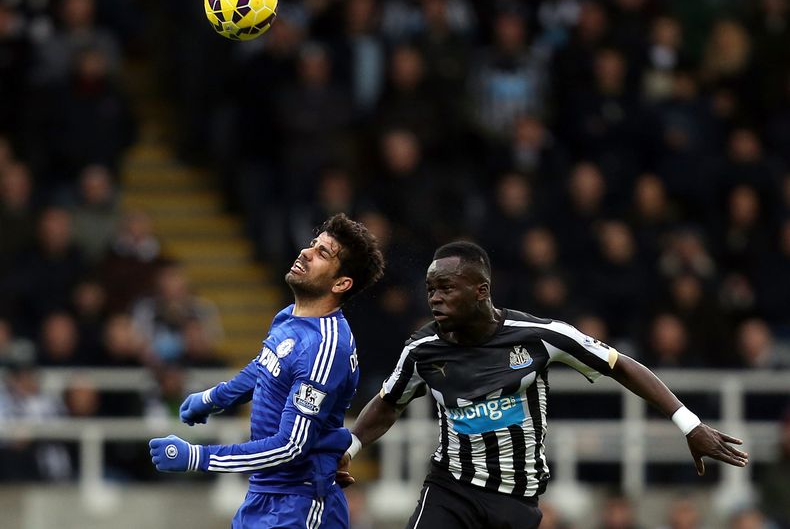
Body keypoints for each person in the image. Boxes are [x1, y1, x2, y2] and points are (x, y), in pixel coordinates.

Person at [338, 241, 749, 529]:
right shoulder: (423, 349)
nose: (435, 299)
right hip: (450, 489)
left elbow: (621, 366)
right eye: (430, 289)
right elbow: (389, 403)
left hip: (516, 500)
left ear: (481, 291)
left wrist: (689, 425)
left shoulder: (541, 336)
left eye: (446, 288)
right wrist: (349, 449)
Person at [148, 214, 385, 529]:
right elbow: (264, 365)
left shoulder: (326, 350)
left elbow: (291, 446)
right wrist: (213, 398)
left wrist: (198, 457)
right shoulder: (291, 316)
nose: (306, 252)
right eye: (313, 245)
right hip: (265, 495)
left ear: (341, 283)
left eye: (323, 253)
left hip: (300, 504)